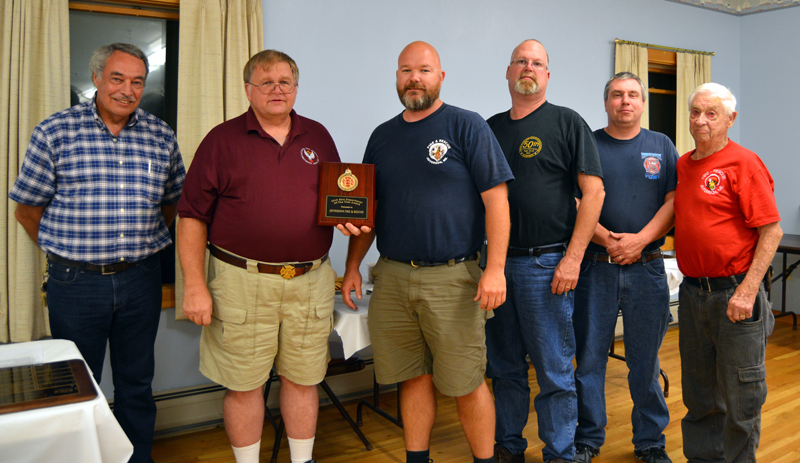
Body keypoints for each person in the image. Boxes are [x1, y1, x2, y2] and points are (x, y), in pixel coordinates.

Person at [177, 49, 366, 463]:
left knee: (303, 379)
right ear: (248, 89)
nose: (277, 90)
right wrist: (193, 283)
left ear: (296, 88)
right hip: (240, 283)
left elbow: (338, 198)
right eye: (266, 82)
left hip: (310, 281)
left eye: (285, 82)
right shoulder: (220, 140)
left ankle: (303, 461)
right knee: (243, 384)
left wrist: (347, 221)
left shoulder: (318, 136)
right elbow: (191, 217)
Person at [9, 43, 186, 463]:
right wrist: (64, 250)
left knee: (136, 383)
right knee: (73, 385)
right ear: (96, 79)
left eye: (137, 81)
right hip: (76, 282)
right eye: (118, 78)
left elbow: (173, 202)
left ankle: (136, 457)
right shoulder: (54, 132)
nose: (127, 90)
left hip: (140, 279)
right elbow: (27, 210)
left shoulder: (160, 136)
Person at [340, 41, 513, 463]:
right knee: (411, 378)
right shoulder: (382, 136)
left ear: (440, 76)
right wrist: (351, 267)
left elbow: (497, 202)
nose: (414, 78)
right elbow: (369, 211)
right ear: (397, 78)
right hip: (393, 277)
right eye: (405, 71)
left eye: (423, 70)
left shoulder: (466, 126)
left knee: (466, 382)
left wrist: (495, 270)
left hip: (454, 280)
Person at [485, 39, 605, 463]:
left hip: (547, 264)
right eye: (521, 61)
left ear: (548, 74)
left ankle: (560, 453)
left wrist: (573, 259)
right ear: (508, 71)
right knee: (504, 368)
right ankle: (509, 448)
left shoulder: (569, 123)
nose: (528, 68)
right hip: (497, 267)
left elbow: (593, 194)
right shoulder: (490, 128)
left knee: (554, 370)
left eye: (537, 63)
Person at [572, 72, 676, 463]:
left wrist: (639, 240)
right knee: (589, 359)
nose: (625, 101)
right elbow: (578, 203)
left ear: (642, 103)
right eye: (617, 95)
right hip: (594, 268)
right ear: (605, 103)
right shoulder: (588, 145)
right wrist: (610, 241)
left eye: (633, 95)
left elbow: (673, 202)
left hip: (647, 267)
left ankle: (650, 442)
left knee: (644, 363)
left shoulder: (661, 145)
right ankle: (587, 439)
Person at [674, 83, 781, 463]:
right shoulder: (684, 165)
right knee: (700, 397)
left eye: (711, 113)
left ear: (730, 119)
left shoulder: (744, 163)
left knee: (742, 399)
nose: (700, 120)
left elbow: (771, 231)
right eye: (695, 112)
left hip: (735, 296)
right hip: (692, 296)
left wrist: (748, 291)